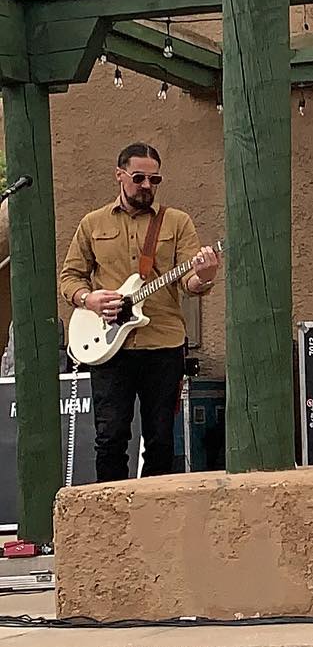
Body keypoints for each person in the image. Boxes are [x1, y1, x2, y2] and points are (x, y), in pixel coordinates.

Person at [59, 143, 221, 481]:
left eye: (154, 179)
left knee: (161, 439)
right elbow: (70, 277)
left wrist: (204, 275)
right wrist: (90, 300)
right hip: (108, 348)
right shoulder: (92, 223)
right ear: (119, 175)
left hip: (162, 345)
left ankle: (155, 518)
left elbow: (189, 281)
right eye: (138, 177)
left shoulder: (176, 222)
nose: (147, 185)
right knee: (111, 437)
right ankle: (111, 514)